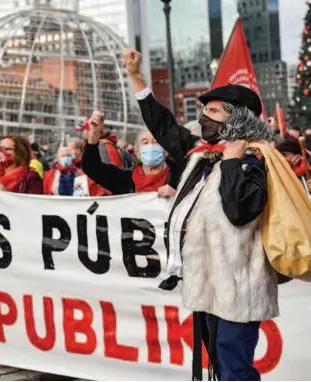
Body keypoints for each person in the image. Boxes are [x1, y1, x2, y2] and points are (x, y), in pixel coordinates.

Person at [123, 48, 279, 381]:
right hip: (208, 285)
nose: (203, 118)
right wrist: (137, 77)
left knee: (235, 369)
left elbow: (240, 210)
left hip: (240, 290)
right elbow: (164, 126)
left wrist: (234, 160)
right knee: (219, 367)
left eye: (212, 112)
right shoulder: (202, 157)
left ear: (235, 119)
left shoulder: (256, 163)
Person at [83, 117, 179, 196]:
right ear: (138, 153)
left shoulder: (180, 178)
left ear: (166, 151)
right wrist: (93, 135)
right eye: (145, 142)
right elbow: (91, 168)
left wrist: (177, 195)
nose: (151, 146)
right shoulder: (125, 180)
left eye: (156, 142)